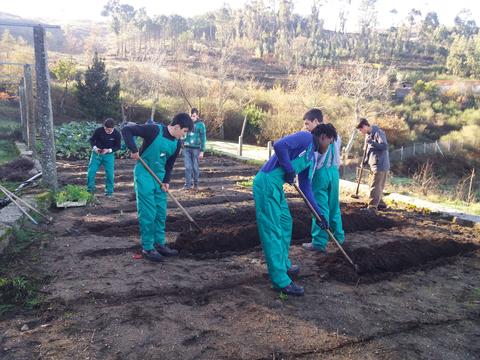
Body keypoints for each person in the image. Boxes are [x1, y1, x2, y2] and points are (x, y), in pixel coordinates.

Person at [253, 123, 336, 296]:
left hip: (276, 187)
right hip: (267, 182)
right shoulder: (305, 137)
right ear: (323, 137)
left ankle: (283, 264)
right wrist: (289, 169)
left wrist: (318, 214)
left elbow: (306, 188)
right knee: (273, 230)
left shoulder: (311, 158)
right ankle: (280, 281)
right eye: (330, 141)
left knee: (285, 222)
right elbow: (279, 145)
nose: (329, 146)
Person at [122, 114, 194, 262]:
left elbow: (169, 164)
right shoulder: (154, 130)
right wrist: (134, 149)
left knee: (161, 212)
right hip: (144, 174)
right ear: (177, 126)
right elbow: (127, 130)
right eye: (184, 131)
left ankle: (159, 244)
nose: (184, 135)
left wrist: (166, 181)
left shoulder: (177, 143)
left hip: (160, 178)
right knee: (148, 212)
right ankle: (148, 247)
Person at [300, 109, 345, 253]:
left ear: (316, 121)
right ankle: (339, 237)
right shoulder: (335, 135)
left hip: (321, 174)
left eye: (308, 124)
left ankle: (319, 242)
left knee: (319, 208)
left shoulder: (318, 136)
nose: (306, 127)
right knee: (334, 207)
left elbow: (313, 157)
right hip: (334, 173)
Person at [356, 118, 390, 212]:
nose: (361, 132)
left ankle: (372, 208)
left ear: (365, 126)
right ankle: (381, 204)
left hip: (380, 164)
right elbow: (368, 150)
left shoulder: (378, 133)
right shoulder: (368, 135)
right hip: (373, 164)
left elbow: (384, 146)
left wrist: (372, 142)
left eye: (360, 129)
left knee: (375, 186)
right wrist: (364, 162)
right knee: (374, 185)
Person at [87, 118, 122, 197]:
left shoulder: (117, 134)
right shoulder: (98, 131)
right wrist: (95, 148)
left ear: (113, 128)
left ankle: (109, 192)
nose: (108, 131)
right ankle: (90, 191)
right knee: (91, 172)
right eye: (106, 129)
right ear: (104, 126)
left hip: (109, 156)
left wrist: (109, 150)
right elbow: (92, 140)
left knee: (110, 174)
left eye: (110, 130)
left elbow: (118, 146)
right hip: (97, 155)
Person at [182, 108, 207, 191]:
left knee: (195, 168)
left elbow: (203, 138)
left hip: (196, 149)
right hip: (186, 148)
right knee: (188, 167)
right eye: (191, 116)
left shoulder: (201, 125)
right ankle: (187, 185)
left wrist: (202, 151)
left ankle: (195, 185)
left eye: (194, 116)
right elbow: (182, 134)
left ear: (197, 116)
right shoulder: (186, 123)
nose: (192, 118)